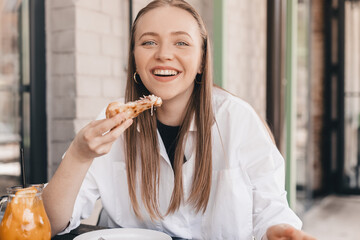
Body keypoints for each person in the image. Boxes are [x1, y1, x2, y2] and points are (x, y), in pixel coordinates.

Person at [43, 0, 316, 239]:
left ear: (201, 61)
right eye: (148, 42)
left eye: (181, 42)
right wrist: (79, 156)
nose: (163, 54)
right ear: (134, 58)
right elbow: (49, 225)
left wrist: (278, 230)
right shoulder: (110, 125)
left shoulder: (238, 120)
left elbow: (272, 209)